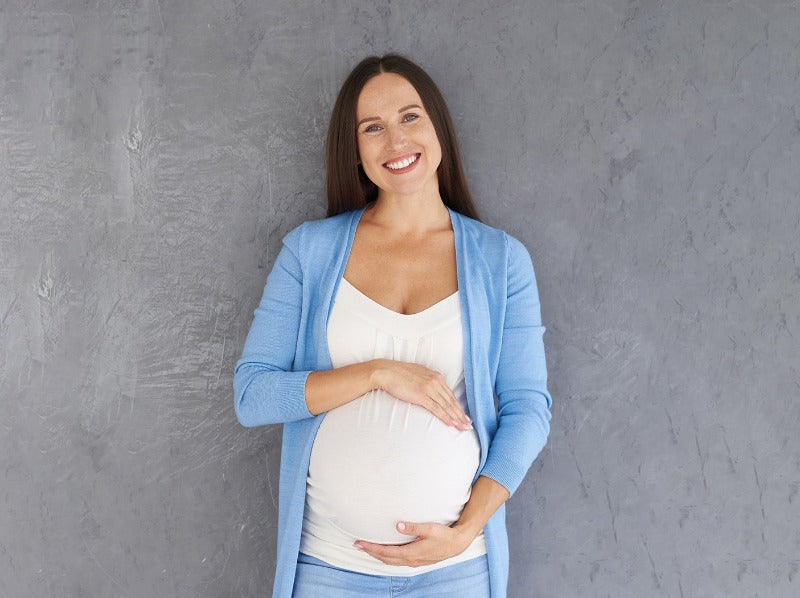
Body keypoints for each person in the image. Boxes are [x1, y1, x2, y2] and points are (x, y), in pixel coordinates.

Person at [233, 53, 552, 598]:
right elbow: (253, 396)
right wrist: (378, 373)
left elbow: (528, 410)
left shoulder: (501, 261)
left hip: (456, 572)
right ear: (355, 151)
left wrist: (465, 531)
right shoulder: (310, 253)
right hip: (328, 571)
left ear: (438, 127)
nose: (396, 141)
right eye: (372, 128)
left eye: (410, 117)